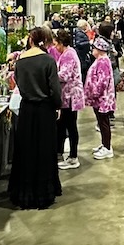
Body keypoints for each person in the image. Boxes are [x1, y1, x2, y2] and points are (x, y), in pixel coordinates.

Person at [8, 27, 63, 208]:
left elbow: (18, 83)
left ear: (31, 39)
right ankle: (44, 192)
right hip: (45, 111)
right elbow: (54, 89)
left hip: (26, 111)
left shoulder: (20, 61)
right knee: (44, 150)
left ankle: (24, 192)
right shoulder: (48, 61)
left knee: (26, 150)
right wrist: (57, 106)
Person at [52, 29, 85, 170]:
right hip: (68, 96)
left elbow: (64, 76)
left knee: (70, 127)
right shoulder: (67, 53)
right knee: (64, 126)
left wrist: (49, 74)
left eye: (55, 44)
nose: (54, 47)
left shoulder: (68, 55)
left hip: (70, 97)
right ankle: (64, 153)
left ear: (61, 43)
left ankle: (73, 157)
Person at [83, 31, 116, 159]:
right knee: (101, 122)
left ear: (100, 49)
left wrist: (93, 94)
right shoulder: (101, 60)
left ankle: (107, 148)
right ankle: (104, 144)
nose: (92, 50)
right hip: (99, 99)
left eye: (94, 48)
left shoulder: (102, 62)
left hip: (102, 99)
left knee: (104, 123)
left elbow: (102, 82)